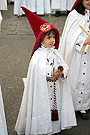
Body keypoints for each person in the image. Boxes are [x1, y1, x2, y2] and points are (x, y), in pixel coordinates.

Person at [15, 7, 77, 135]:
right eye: (48, 37)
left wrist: (62, 71)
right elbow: (38, 69)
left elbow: (64, 65)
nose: (52, 40)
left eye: (54, 37)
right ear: (41, 38)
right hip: (43, 88)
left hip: (55, 87)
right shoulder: (38, 54)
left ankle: (55, 128)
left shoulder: (55, 52)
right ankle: (43, 128)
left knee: (55, 106)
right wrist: (52, 70)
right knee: (44, 107)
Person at [59, 0, 90, 120]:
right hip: (77, 55)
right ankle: (73, 105)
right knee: (75, 78)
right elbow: (69, 37)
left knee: (87, 79)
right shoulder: (74, 15)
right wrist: (83, 41)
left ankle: (84, 105)